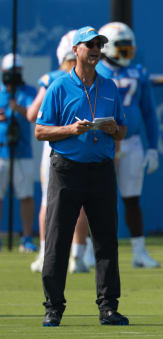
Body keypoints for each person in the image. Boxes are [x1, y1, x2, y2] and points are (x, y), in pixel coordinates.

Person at [36, 26, 129, 327]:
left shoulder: (111, 87)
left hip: (101, 170)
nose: (95, 49)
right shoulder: (58, 87)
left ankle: (108, 307)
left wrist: (113, 129)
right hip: (67, 170)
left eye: (99, 45)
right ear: (75, 50)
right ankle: (53, 307)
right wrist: (70, 130)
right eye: (89, 45)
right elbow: (40, 130)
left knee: (105, 241)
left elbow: (123, 129)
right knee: (58, 240)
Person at [27, 29, 93, 274]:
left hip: (56, 148)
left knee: (49, 201)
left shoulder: (53, 78)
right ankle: (79, 255)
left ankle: (46, 253)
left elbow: (33, 115)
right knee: (84, 202)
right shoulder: (94, 77)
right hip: (86, 145)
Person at [97, 22, 160, 268]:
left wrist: (153, 146)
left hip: (132, 141)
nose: (127, 54)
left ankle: (139, 252)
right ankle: (89, 251)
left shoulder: (138, 72)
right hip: (102, 142)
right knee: (98, 199)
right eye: (121, 48)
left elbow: (148, 113)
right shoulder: (97, 72)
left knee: (132, 199)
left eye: (129, 48)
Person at [0, 53, 37, 253]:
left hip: (22, 152)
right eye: (10, 71)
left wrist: (18, 108)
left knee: (25, 195)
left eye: (17, 71)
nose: (14, 75)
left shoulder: (28, 91)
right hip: (1, 151)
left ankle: (26, 238)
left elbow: (35, 114)